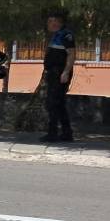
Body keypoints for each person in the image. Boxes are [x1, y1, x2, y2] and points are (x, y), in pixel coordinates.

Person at [41, 12, 75, 142]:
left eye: (51, 21)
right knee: (59, 103)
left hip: (59, 73)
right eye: (48, 21)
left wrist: (66, 72)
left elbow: (71, 54)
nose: (49, 24)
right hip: (53, 73)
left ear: (57, 22)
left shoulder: (66, 35)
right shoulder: (56, 35)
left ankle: (53, 133)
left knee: (53, 102)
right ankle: (67, 133)